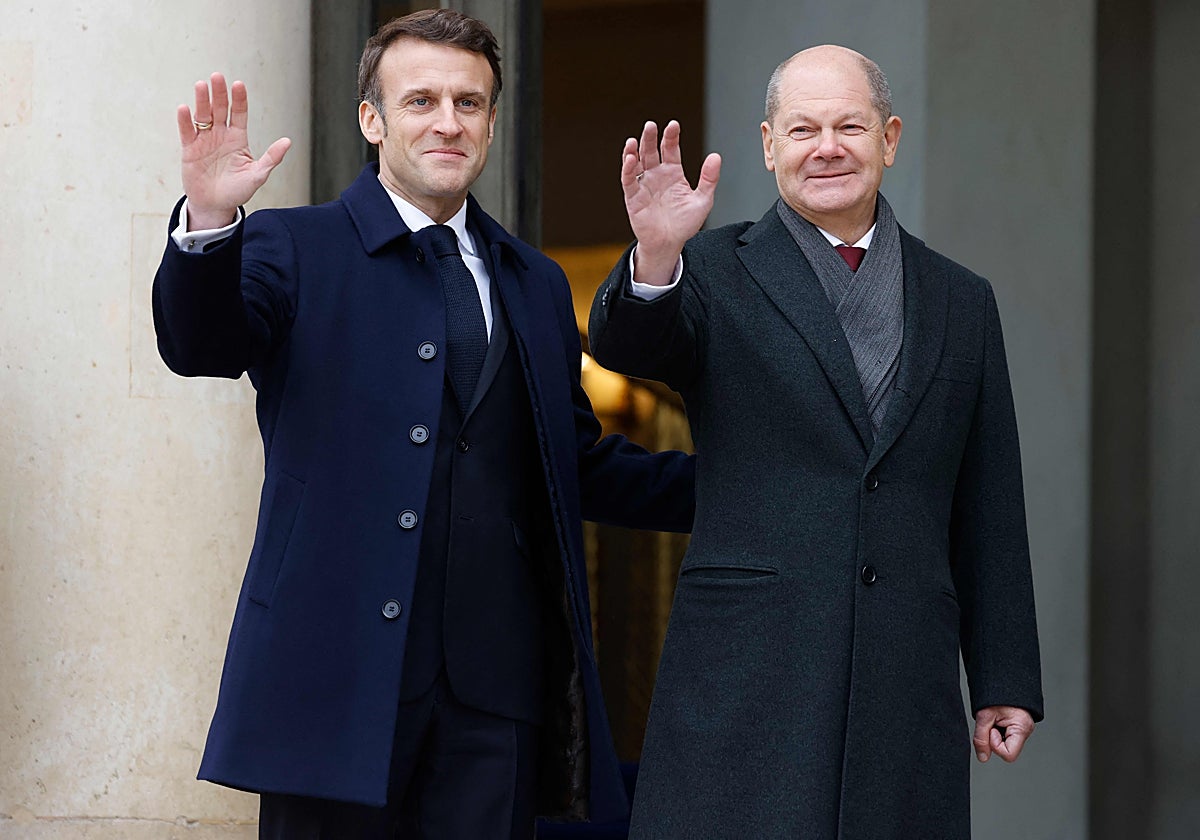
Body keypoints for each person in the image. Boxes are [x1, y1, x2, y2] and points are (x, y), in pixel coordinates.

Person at [153, 10, 694, 839]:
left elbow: (572, 464)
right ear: (372, 121)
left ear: (492, 123)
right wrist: (208, 226)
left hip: (495, 696)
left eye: (469, 103)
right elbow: (200, 346)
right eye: (421, 101)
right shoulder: (294, 246)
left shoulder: (537, 281)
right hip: (332, 686)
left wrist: (746, 486)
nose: (448, 122)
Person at [588, 45, 1043, 839]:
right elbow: (632, 344)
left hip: (904, 672)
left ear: (889, 139)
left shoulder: (961, 299)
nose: (826, 147)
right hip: (748, 675)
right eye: (802, 130)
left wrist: (1004, 674)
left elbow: (988, 499)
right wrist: (657, 255)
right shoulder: (713, 270)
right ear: (769, 147)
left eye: (849, 127)